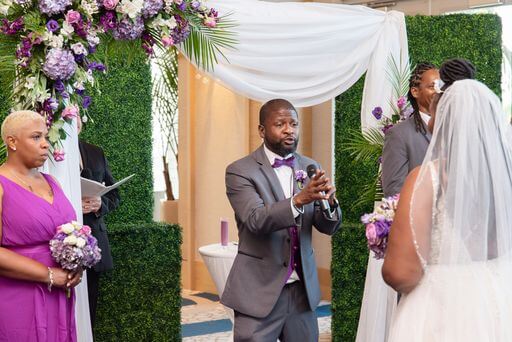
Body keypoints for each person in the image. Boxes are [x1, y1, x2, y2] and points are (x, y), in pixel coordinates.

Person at [382, 73, 512, 339]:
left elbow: (400, 272)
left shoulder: (426, 178)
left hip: (442, 309)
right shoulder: (505, 180)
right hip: (500, 302)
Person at [221, 99, 342, 342]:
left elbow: (328, 226)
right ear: (262, 130)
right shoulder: (240, 171)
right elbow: (255, 220)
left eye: (293, 123)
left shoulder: (310, 166)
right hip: (258, 292)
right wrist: (299, 200)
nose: (289, 129)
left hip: (302, 293)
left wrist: (329, 202)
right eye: (280, 124)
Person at [0, 110, 82, 341]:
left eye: (45, 137)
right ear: (12, 142)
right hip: (18, 295)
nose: (45, 144)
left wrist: (77, 264)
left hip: (58, 292)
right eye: (36, 137)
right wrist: (48, 275)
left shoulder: (51, 181)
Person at [77, 116, 120, 329]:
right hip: (59, 241)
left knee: (90, 309)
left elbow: (115, 195)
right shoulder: (46, 152)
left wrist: (98, 204)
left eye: (76, 115)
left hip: (94, 242)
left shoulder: (95, 152)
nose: (73, 120)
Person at [381, 62, 439, 197]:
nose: (438, 91)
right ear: (415, 91)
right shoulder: (398, 134)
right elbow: (394, 191)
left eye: (440, 86)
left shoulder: (454, 130)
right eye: (432, 86)